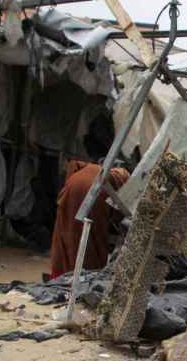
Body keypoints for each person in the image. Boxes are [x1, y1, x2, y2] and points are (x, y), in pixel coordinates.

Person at [49, 115, 130, 279]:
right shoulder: (122, 178)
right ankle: (84, 279)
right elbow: (122, 217)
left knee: (66, 233)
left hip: (76, 187)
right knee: (91, 242)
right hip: (94, 191)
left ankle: (61, 276)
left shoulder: (99, 171)